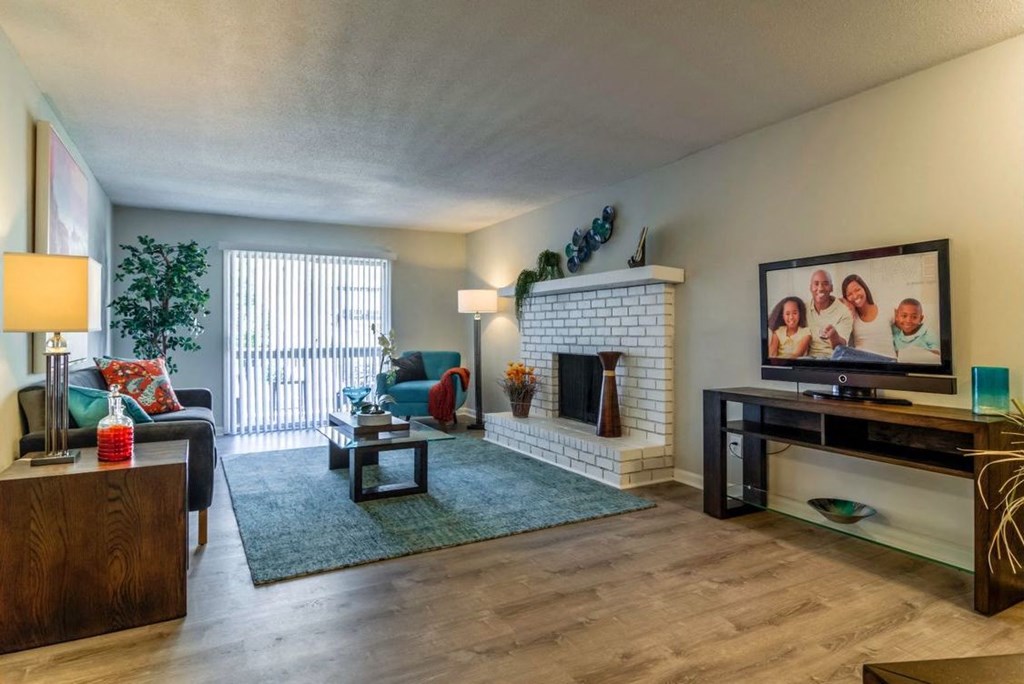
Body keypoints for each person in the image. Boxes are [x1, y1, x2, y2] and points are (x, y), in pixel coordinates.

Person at [840, 274, 896, 358]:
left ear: (864, 288)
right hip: (864, 363)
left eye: (857, 290)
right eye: (849, 294)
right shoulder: (850, 318)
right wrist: (846, 303)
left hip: (888, 363)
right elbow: (831, 300)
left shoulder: (886, 309)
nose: (855, 296)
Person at [805, 269, 853, 359]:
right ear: (810, 287)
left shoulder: (844, 312)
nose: (820, 288)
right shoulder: (803, 308)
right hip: (808, 361)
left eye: (825, 284)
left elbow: (841, 348)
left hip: (832, 359)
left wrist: (834, 336)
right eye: (816, 284)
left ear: (831, 288)